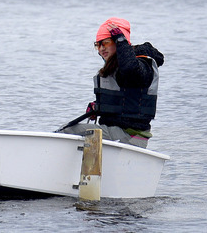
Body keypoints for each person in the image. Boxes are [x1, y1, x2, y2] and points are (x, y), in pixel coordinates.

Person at [62, 17, 164, 148]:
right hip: (114, 131)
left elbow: (130, 69)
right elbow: (126, 99)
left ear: (119, 42)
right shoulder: (115, 67)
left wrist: (121, 41)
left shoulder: (142, 65)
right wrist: (99, 107)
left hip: (130, 135)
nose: (101, 48)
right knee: (68, 129)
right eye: (98, 44)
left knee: (68, 132)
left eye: (106, 42)